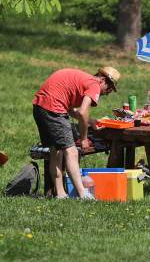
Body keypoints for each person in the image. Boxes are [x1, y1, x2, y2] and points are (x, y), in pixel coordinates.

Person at [32, 67, 121, 199]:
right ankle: (83, 195)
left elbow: (72, 111)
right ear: (103, 80)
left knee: (56, 151)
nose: (107, 93)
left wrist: (91, 122)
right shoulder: (94, 85)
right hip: (53, 109)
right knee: (72, 152)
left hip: (40, 107)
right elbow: (82, 112)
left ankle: (61, 194)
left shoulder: (84, 80)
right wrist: (84, 138)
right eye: (109, 89)